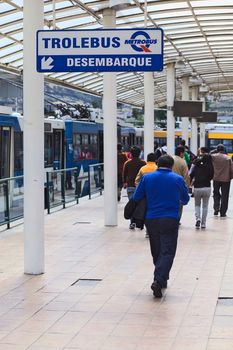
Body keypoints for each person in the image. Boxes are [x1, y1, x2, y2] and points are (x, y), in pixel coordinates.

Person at [133, 155, 189, 298]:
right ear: (171, 166)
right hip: (170, 219)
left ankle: (161, 277)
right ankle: (159, 280)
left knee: (156, 249)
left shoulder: (147, 178)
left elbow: (137, 196)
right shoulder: (178, 179)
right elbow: (186, 199)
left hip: (151, 219)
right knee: (168, 251)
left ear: (158, 164)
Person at [190, 147, 214, 229]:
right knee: (205, 206)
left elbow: (191, 174)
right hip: (207, 187)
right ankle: (203, 223)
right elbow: (211, 176)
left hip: (197, 187)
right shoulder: (210, 166)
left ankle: (198, 219)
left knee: (197, 205)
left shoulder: (197, 165)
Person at [123, 146, 146, 229]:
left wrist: (125, 183)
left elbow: (124, 174)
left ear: (131, 154)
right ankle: (141, 223)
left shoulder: (127, 163)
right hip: (141, 187)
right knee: (141, 205)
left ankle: (132, 222)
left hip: (130, 186)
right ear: (140, 154)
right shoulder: (143, 163)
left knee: (132, 204)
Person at [211, 144, 233, 217]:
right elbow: (231, 170)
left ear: (217, 149)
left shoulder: (213, 157)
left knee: (216, 193)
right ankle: (223, 212)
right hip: (226, 179)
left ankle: (216, 208)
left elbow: (208, 155)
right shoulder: (228, 158)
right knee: (225, 196)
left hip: (216, 178)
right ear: (224, 150)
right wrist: (231, 177)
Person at [172, 145, 190, 222]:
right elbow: (186, 176)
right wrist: (187, 188)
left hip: (169, 184)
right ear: (181, 153)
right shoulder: (183, 162)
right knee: (179, 204)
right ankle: (177, 220)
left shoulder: (170, 159)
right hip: (179, 186)